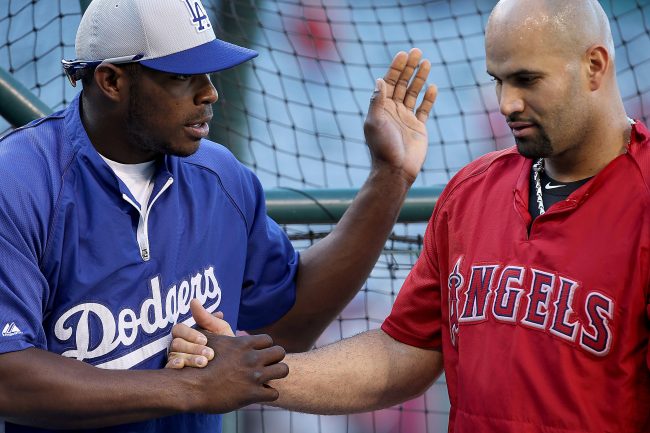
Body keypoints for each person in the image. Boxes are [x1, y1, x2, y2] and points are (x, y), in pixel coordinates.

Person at [173, 0, 650, 431]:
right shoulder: (471, 192)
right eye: (498, 80)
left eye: (526, 80)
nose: (507, 103)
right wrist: (250, 373)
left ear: (594, 66)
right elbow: (403, 351)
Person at [0, 0, 437, 432]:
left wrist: (390, 178)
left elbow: (288, 327)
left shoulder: (219, 174)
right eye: (182, 76)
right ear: (111, 80)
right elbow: (8, 377)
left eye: (208, 73)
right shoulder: (20, 182)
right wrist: (192, 388)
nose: (209, 92)